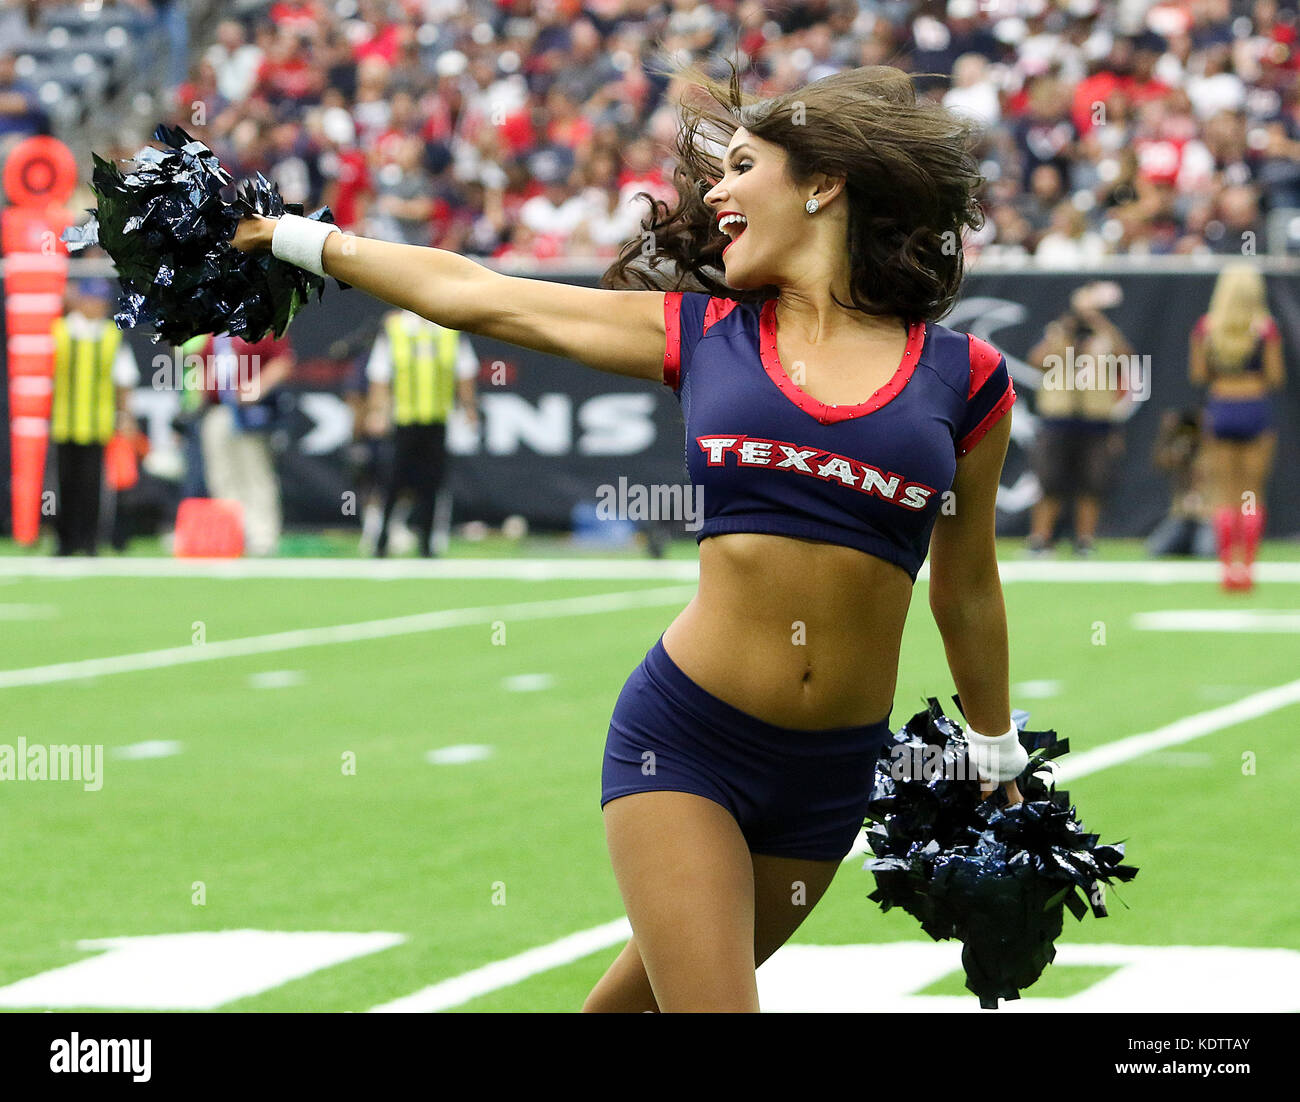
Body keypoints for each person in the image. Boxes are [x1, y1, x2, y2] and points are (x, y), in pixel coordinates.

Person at [233, 61, 1025, 1013]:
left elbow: (967, 584)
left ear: (823, 183)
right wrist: (292, 235)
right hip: (686, 744)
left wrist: (995, 750)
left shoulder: (966, 379)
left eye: (741, 166)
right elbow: (480, 295)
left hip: (828, 777)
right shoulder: (705, 336)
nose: (717, 192)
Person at [1189, 261, 1285, 591]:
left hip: (1222, 408)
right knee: (1251, 492)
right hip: (1254, 408)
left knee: (1224, 493)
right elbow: (1275, 377)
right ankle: (1248, 569)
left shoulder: (1207, 327)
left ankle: (1228, 569)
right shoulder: (1265, 329)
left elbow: (1199, 375)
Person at [1024, 282, 1133, 557]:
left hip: (1096, 419)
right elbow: (1036, 359)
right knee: (1050, 480)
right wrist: (1064, 333)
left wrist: (1099, 325)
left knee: (1092, 482)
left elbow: (1126, 358)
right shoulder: (1058, 332)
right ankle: (1041, 539)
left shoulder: (1106, 334)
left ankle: (1085, 539)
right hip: (1058, 417)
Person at [364, 307, 480, 557]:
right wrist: (377, 412)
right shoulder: (396, 329)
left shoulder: (450, 329)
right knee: (393, 484)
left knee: (432, 485)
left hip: (438, 420)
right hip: (404, 421)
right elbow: (380, 375)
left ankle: (427, 544)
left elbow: (465, 372)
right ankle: (380, 540)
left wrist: (469, 409)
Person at [48, 279, 140, 556]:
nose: (97, 306)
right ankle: (64, 541)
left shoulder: (111, 335)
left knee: (93, 488)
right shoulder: (59, 331)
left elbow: (124, 379)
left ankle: (89, 542)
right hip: (64, 421)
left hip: (98, 423)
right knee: (62, 486)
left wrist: (124, 415)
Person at [197, 331, 295, 556]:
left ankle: (262, 536)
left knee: (255, 472)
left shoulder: (263, 325)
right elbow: (203, 364)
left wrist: (257, 387)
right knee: (221, 475)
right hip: (218, 410)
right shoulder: (214, 331)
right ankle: (231, 534)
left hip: (250, 413)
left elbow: (283, 361)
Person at [1145, 408, 1215, 558]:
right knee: (1156, 550)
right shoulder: (1181, 450)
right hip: (1182, 518)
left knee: (1205, 551)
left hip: (1207, 518)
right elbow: (1160, 462)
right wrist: (1166, 433)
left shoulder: (1212, 453)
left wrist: (1208, 428)